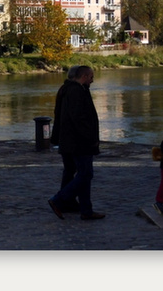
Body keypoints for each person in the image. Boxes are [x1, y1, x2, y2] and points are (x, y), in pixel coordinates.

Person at [48, 65, 104, 220]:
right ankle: (59, 200)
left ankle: (84, 209)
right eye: (91, 77)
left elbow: (59, 114)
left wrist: (56, 138)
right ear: (84, 76)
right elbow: (79, 118)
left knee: (75, 172)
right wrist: (91, 137)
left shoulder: (65, 89)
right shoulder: (77, 91)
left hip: (67, 140)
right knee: (85, 173)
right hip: (79, 141)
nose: (92, 81)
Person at [51, 65, 87, 212]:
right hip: (71, 138)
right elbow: (76, 116)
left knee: (69, 169)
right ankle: (63, 199)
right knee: (80, 171)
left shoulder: (63, 90)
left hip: (63, 136)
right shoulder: (74, 91)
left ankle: (68, 200)